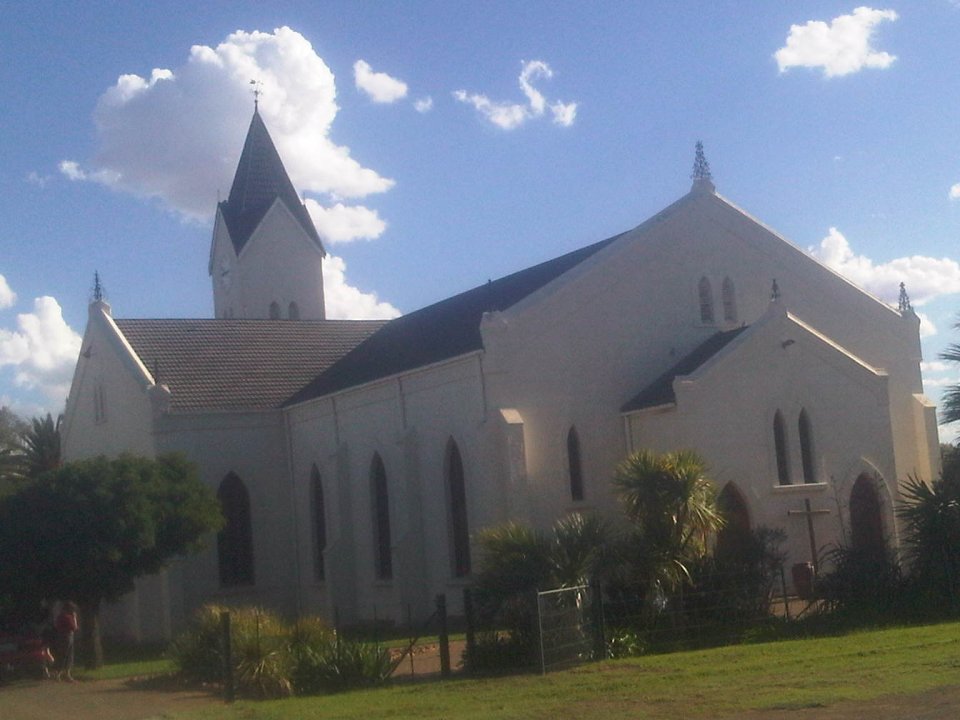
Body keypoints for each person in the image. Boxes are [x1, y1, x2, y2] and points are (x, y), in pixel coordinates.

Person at [54, 601, 78, 681]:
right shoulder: (67, 617)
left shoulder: (59, 616)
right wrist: (74, 618)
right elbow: (74, 627)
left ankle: (61, 674)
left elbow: (57, 626)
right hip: (67, 636)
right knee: (67, 655)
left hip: (61, 636)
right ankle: (64, 674)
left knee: (64, 655)